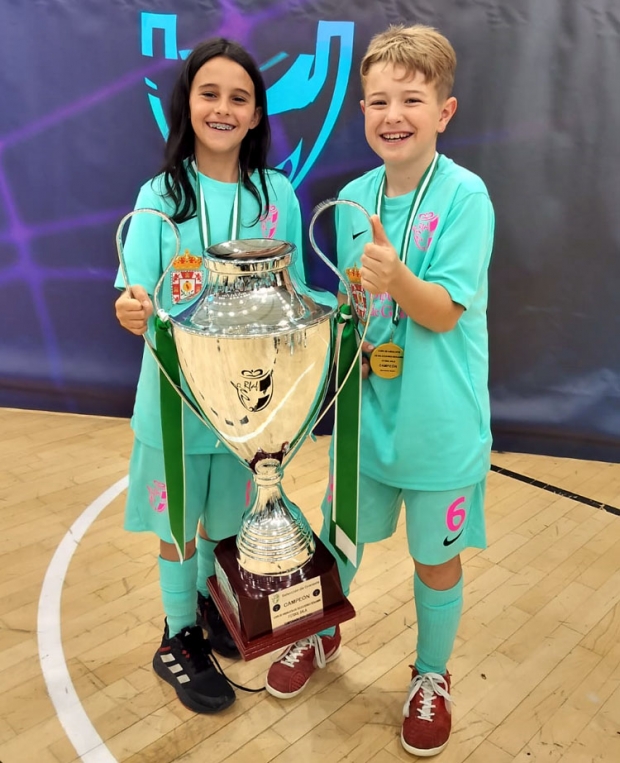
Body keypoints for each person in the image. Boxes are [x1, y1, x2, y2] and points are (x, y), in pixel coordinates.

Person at [264, 24, 494, 757]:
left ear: (444, 112)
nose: (392, 115)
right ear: (361, 108)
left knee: (436, 557)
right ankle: (321, 627)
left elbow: (442, 311)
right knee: (341, 535)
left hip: (439, 422)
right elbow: (355, 311)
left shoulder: (466, 196)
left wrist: (396, 281)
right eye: (377, 101)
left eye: (411, 99)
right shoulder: (356, 194)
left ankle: (432, 674)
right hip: (368, 416)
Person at [114, 37, 305, 715]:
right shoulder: (159, 196)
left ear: (256, 115)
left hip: (246, 408)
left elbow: (297, 300)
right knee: (178, 526)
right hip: (174, 401)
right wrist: (133, 307)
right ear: (187, 104)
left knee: (225, 521)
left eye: (239, 97)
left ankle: (203, 605)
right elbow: (133, 295)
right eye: (210, 93)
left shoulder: (275, 192)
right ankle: (178, 636)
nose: (223, 108)